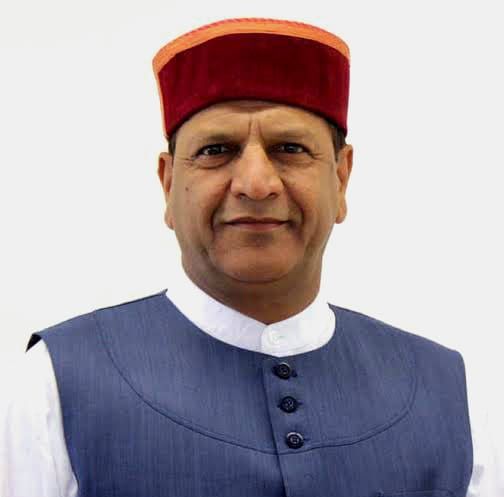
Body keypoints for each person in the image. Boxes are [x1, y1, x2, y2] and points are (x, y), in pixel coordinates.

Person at [1, 17, 501, 497]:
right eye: (216, 150)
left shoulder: (449, 395)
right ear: (169, 183)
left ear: (341, 178)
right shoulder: (55, 385)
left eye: (290, 148)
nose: (256, 184)